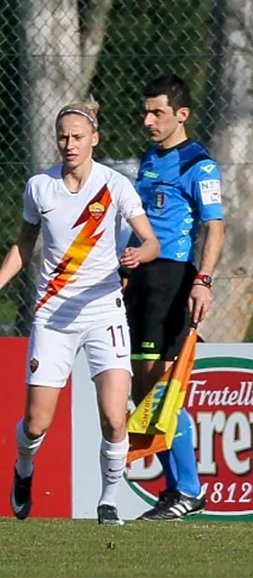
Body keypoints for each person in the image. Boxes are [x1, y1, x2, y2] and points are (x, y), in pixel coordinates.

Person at [0, 99, 160, 525]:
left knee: (115, 417)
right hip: (53, 316)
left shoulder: (115, 185)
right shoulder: (41, 187)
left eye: (77, 136)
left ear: (94, 139)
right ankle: (24, 470)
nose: (69, 144)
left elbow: (151, 241)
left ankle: (109, 502)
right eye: (63, 136)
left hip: (104, 312)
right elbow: (24, 244)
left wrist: (138, 254)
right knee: (37, 424)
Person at [122, 74, 225, 520]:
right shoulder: (148, 158)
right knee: (141, 390)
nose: (148, 120)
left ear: (181, 115)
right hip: (141, 280)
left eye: (157, 112)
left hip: (172, 281)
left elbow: (215, 227)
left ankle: (188, 489)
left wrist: (203, 280)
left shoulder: (199, 165)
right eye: (145, 111)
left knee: (162, 391)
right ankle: (174, 488)